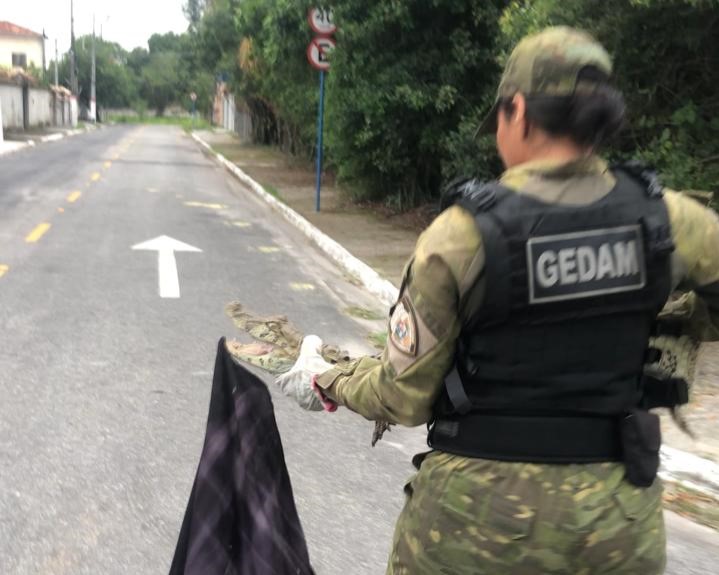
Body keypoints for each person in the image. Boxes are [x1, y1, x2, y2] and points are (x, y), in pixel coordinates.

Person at [278, 26, 719, 574]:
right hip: (614, 525)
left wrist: (329, 379)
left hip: (473, 526)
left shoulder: (462, 236)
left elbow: (404, 397)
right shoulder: (671, 220)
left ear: (518, 111)